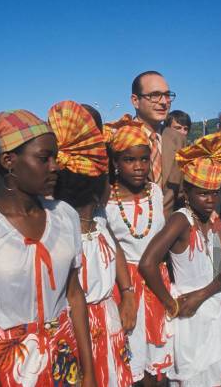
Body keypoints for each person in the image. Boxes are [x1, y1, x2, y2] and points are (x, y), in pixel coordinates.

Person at [0, 95, 96, 387]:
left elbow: (74, 294)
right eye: (44, 159)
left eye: (55, 157)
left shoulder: (65, 216)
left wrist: (89, 370)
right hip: (11, 368)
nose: (55, 166)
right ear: (9, 161)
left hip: (63, 361)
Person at [139, 132, 221, 386]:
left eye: (214, 193)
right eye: (203, 194)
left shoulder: (216, 221)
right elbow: (148, 263)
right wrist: (169, 303)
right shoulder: (181, 220)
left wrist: (202, 294)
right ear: (187, 193)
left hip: (213, 309)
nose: (210, 200)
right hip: (190, 317)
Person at [50, 101, 135, 387]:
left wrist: (128, 293)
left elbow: (116, 248)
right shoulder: (56, 221)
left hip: (109, 318)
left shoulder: (99, 217)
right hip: (77, 328)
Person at [103, 114, 173, 384]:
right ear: (116, 162)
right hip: (125, 288)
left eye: (144, 159)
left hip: (156, 284)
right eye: (129, 160)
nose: (138, 167)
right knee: (129, 362)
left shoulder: (155, 192)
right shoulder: (106, 200)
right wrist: (127, 292)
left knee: (157, 369)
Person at [130, 71, 186, 217]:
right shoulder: (119, 137)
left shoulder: (177, 139)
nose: (163, 102)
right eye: (154, 95)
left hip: (170, 232)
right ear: (135, 101)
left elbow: (182, 192)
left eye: (167, 95)